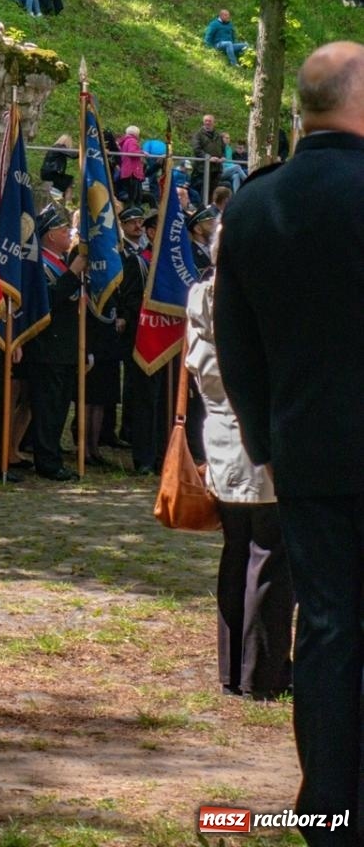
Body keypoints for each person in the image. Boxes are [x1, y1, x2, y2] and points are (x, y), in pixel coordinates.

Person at [214, 41, 364, 846]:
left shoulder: (253, 204)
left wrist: (267, 438)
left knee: (330, 626)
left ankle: (328, 810)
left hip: (306, 451)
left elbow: (234, 342)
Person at [185, 244, 294, 701]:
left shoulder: (201, 294)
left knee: (237, 551)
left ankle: (233, 669)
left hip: (221, 433)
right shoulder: (252, 295)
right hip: (255, 435)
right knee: (269, 555)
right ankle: (263, 674)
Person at [20, 206, 86, 481]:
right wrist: (73, 272)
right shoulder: (41, 266)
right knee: (47, 408)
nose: (68, 233)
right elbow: (48, 300)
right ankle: (47, 461)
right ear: (49, 235)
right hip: (48, 349)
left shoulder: (60, 261)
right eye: (63, 229)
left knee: (59, 407)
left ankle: (53, 454)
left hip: (66, 348)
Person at [190, 113, 226, 199]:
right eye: (206, 121)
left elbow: (223, 148)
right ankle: (203, 206)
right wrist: (209, 158)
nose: (207, 123)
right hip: (202, 168)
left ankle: (211, 206)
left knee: (213, 191)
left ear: (213, 122)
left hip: (216, 169)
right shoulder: (198, 135)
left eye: (209, 121)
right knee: (203, 191)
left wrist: (223, 157)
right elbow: (197, 149)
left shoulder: (218, 135)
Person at [117, 126, 144, 205]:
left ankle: (132, 208)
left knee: (132, 194)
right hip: (132, 171)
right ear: (136, 133)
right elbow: (132, 152)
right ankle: (133, 209)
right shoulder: (132, 141)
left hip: (126, 170)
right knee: (134, 196)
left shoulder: (125, 141)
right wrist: (142, 153)